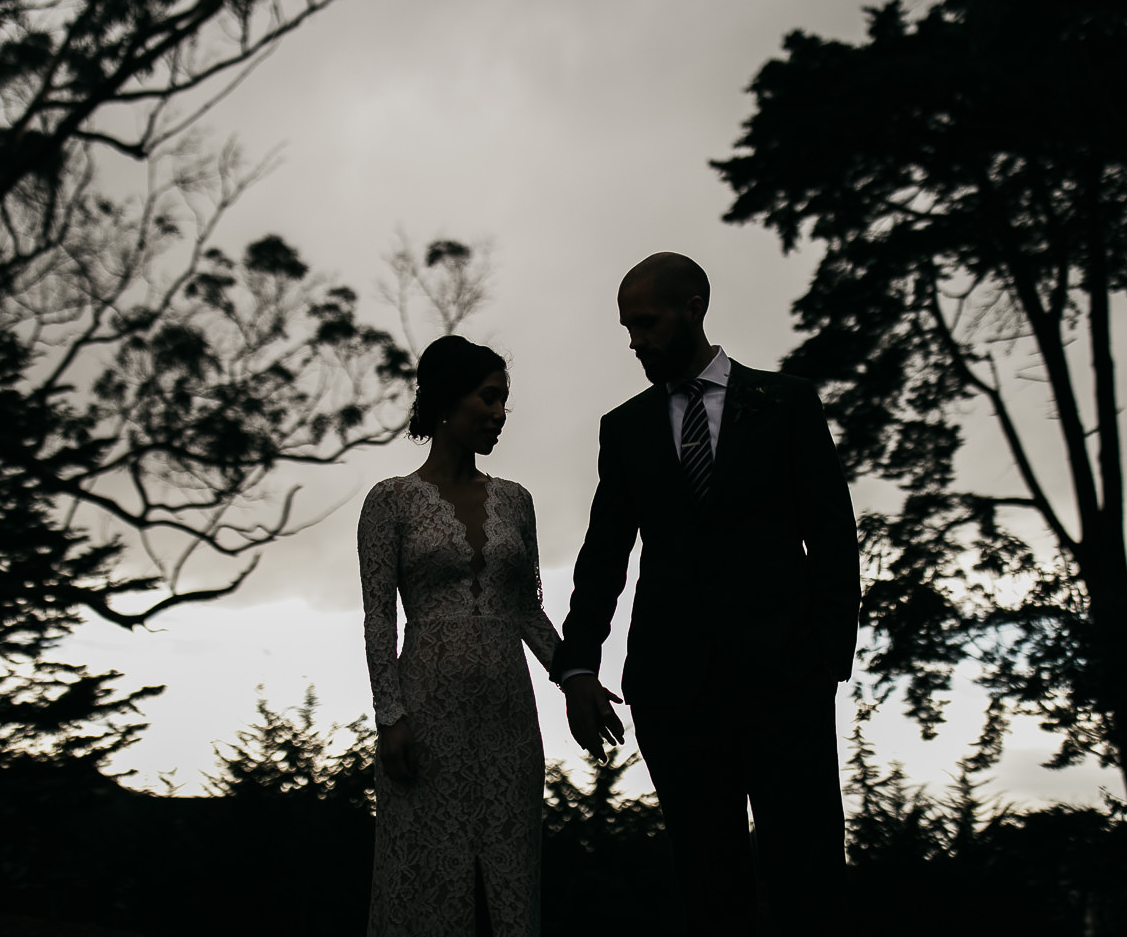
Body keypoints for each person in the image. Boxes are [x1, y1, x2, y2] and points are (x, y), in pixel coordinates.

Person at [551, 253, 861, 935]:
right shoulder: (625, 428)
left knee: (809, 880)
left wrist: (826, 661)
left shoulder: (786, 403)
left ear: (694, 309)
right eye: (627, 328)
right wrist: (577, 667)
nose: (635, 340)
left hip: (787, 683)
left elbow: (834, 539)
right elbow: (604, 556)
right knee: (710, 888)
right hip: (674, 692)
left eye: (647, 323)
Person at [359, 334, 562, 936]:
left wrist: (574, 677)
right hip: (426, 717)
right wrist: (390, 717)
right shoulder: (391, 502)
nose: (499, 413)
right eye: (488, 398)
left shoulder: (516, 501)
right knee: (424, 882)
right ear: (449, 399)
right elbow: (378, 618)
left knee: (511, 886)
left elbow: (527, 611)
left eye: (504, 402)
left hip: (508, 718)